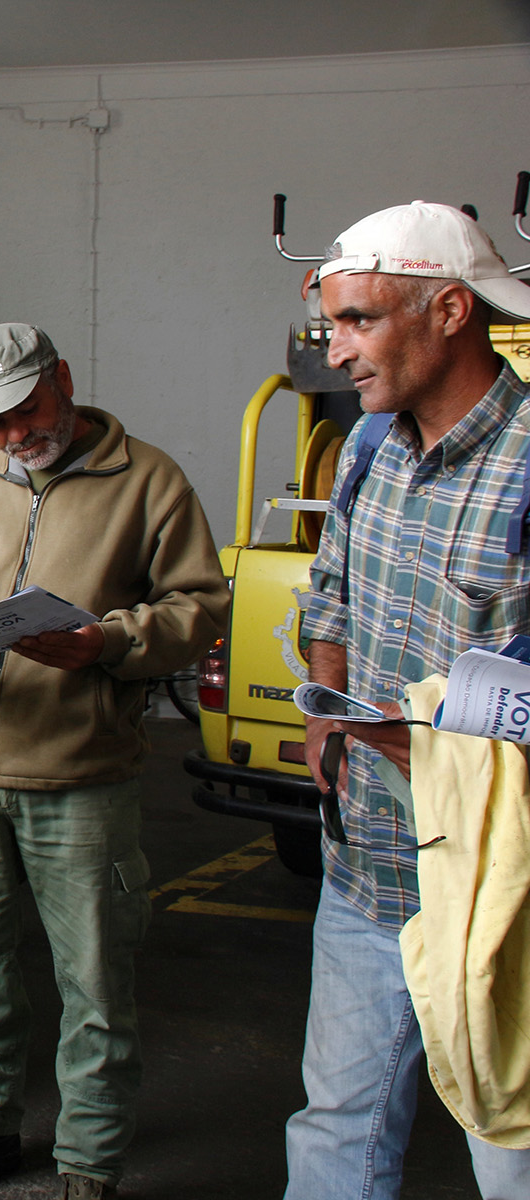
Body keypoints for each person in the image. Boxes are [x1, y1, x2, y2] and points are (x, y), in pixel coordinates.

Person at [0, 324, 229, 1200]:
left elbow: (201, 607)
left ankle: (89, 1164)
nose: (12, 436)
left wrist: (106, 642)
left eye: (25, 411)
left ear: (62, 379)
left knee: (96, 984)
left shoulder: (149, 481)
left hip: (83, 775)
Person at [289, 203, 530, 1198]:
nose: (336, 351)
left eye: (358, 321)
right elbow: (331, 596)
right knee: (335, 1130)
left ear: (449, 311)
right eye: (331, 325)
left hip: (502, 897)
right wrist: (328, 713)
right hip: (368, 871)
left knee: (512, 1152)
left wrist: (443, 743)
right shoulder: (367, 449)